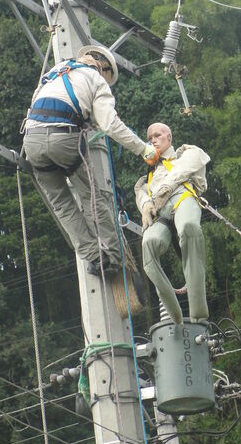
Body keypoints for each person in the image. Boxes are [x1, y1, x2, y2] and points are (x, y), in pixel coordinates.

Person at [23, 45, 157, 276]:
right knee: (93, 198)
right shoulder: (95, 78)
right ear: (103, 68)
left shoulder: (54, 72)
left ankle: (95, 257)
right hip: (64, 141)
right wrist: (143, 149)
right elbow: (109, 124)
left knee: (61, 204)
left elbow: (36, 106)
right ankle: (114, 259)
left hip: (32, 142)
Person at [134, 122, 210, 324]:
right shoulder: (145, 179)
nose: (153, 140)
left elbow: (185, 169)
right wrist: (145, 207)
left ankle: (198, 311)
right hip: (160, 213)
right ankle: (174, 314)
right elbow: (141, 196)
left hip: (181, 197)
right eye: (150, 138)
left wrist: (165, 188)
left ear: (169, 136)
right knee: (148, 247)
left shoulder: (186, 153)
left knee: (189, 228)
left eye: (157, 135)